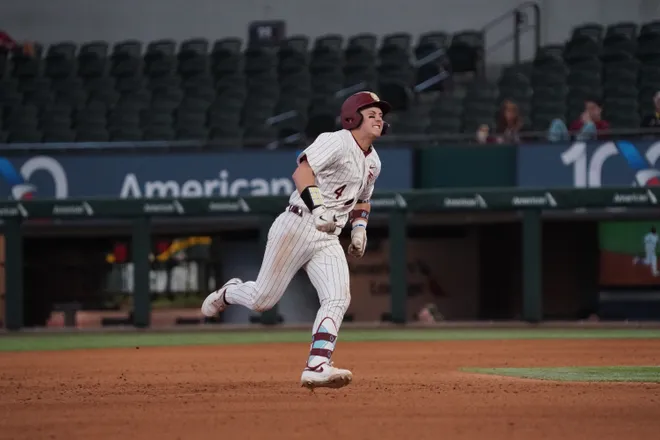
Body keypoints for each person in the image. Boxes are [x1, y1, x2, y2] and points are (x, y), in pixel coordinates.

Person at [201, 91, 390, 389]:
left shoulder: (374, 162)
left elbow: (363, 200)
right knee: (263, 300)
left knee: (338, 297)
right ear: (354, 117)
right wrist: (318, 209)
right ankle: (229, 293)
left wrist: (359, 229)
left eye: (381, 114)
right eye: (372, 113)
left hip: (329, 236)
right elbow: (302, 173)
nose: (379, 117)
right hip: (298, 222)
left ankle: (317, 364)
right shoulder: (336, 140)